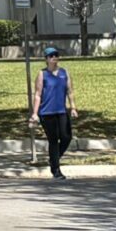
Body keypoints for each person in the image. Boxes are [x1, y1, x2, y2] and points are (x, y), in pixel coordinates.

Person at [29, 46, 78, 179]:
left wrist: (73, 107)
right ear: (46, 59)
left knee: (66, 137)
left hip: (61, 110)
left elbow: (70, 91)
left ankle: (54, 158)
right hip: (46, 112)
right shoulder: (42, 74)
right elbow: (38, 94)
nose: (54, 58)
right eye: (51, 56)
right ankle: (56, 170)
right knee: (53, 140)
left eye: (56, 55)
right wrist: (35, 113)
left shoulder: (64, 73)